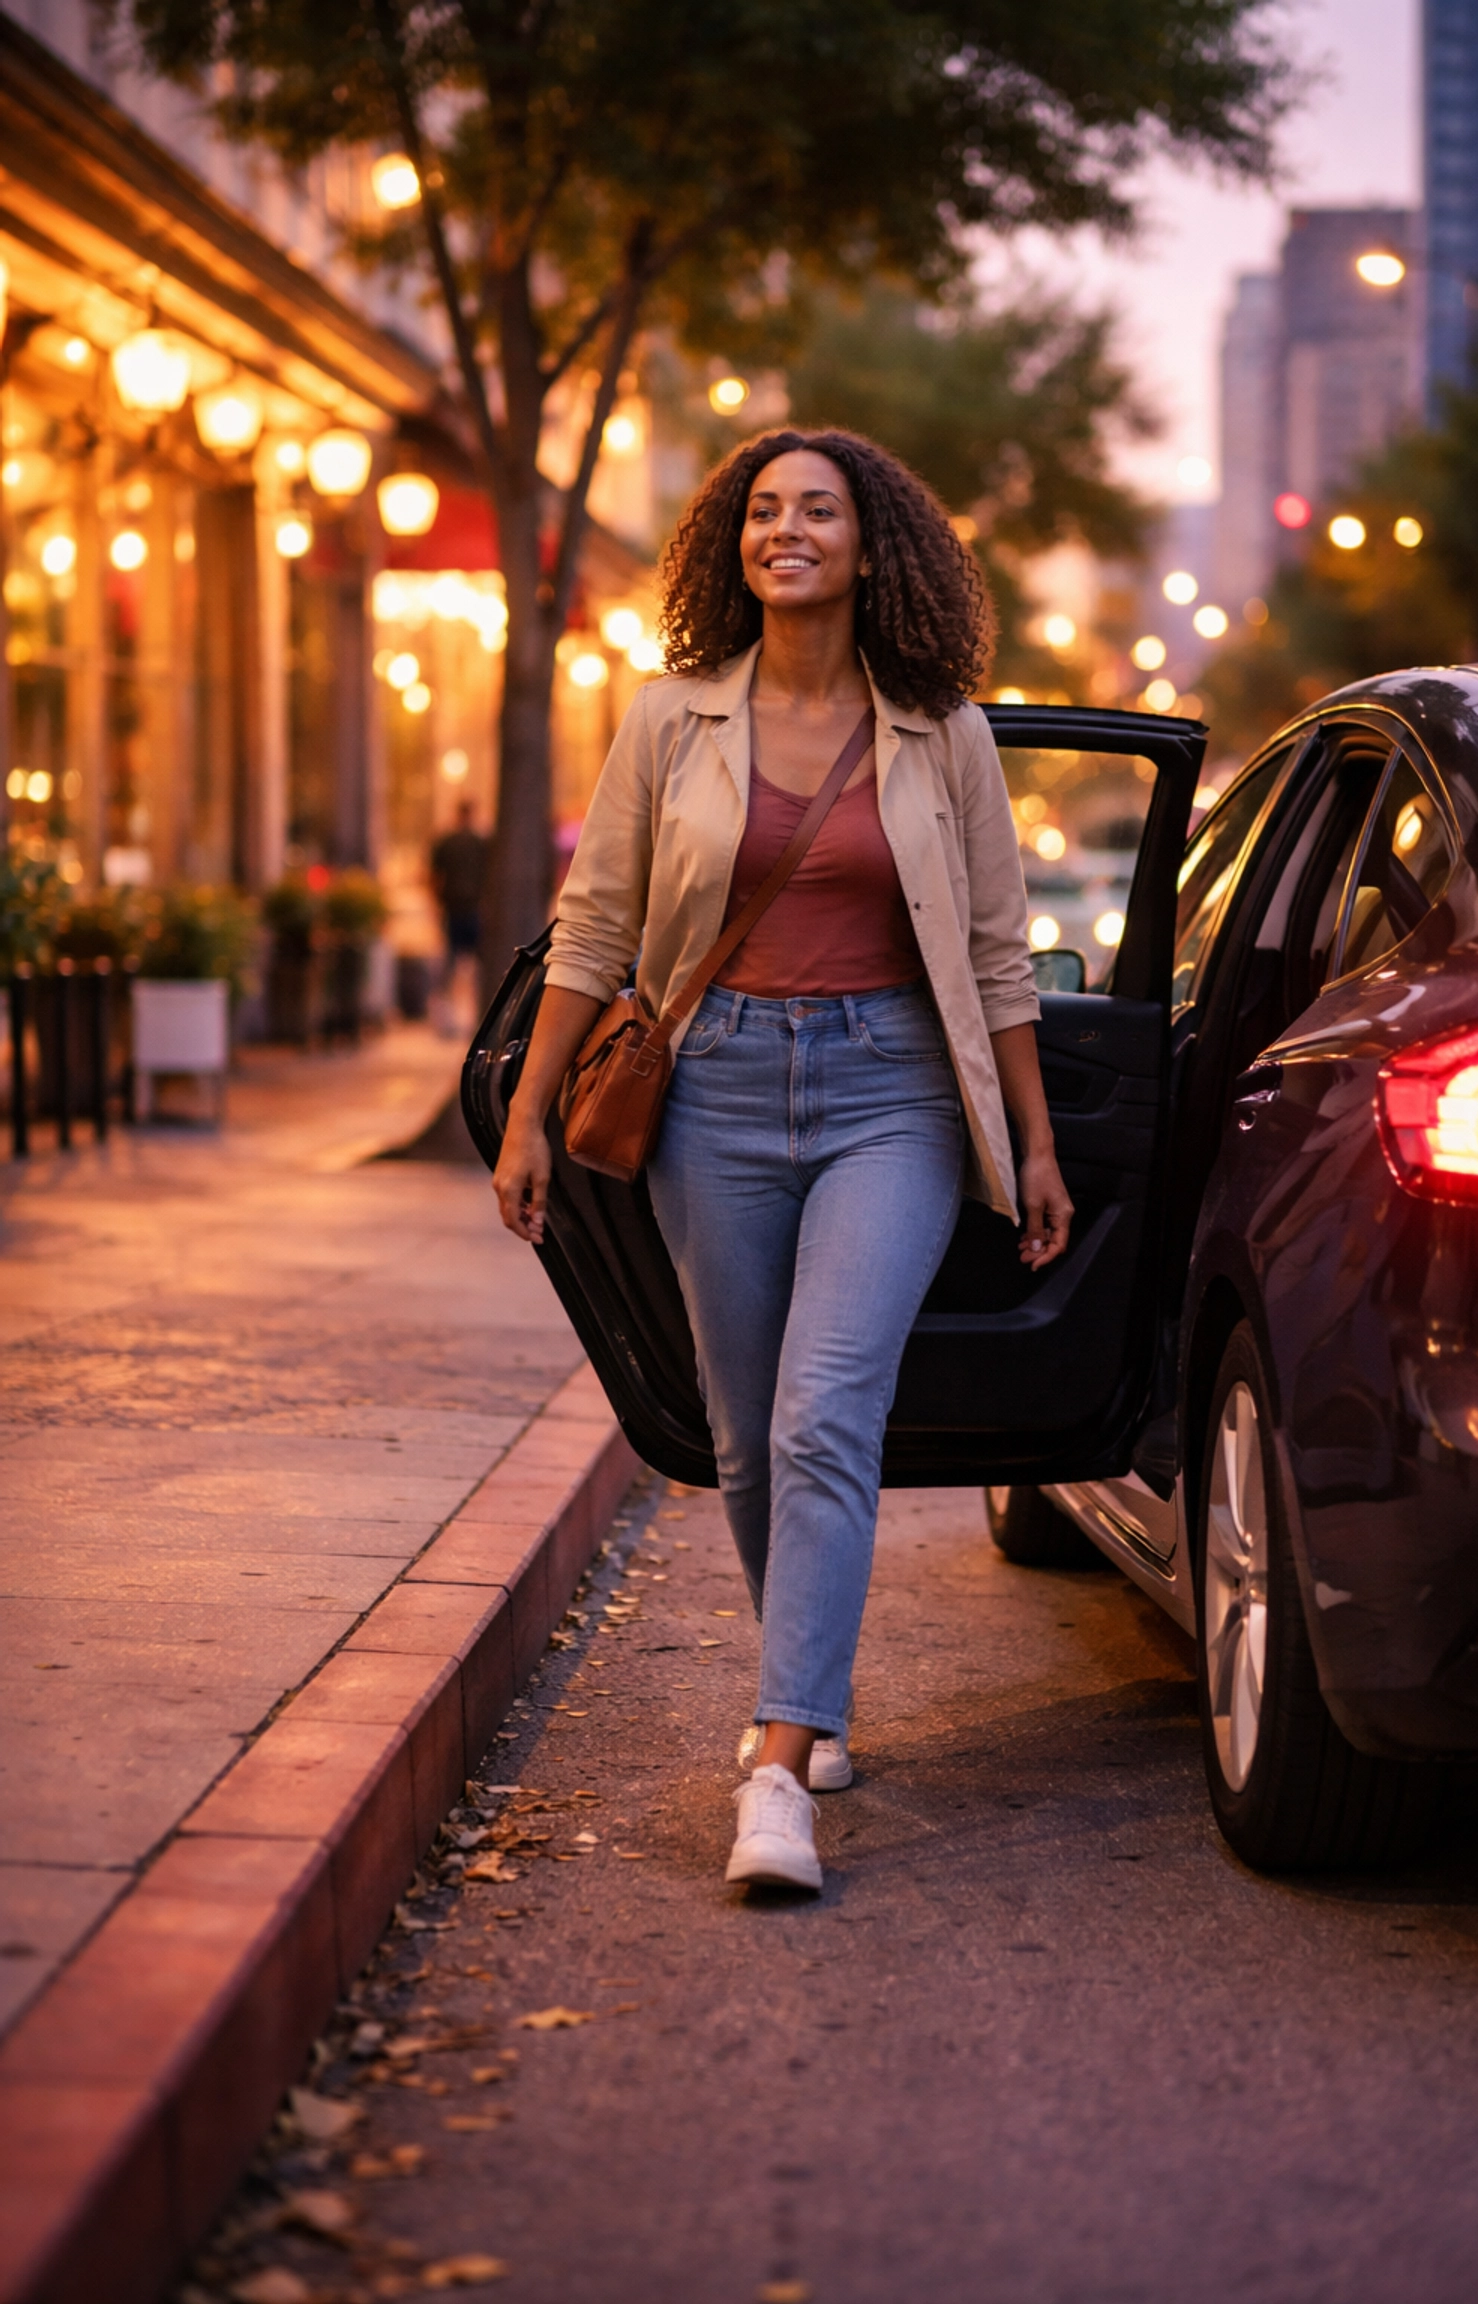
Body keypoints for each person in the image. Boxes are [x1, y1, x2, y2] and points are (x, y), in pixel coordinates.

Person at [492, 428, 1072, 1894]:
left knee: (825, 1415)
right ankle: (813, 1696)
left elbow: (1000, 956)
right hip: (716, 1094)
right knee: (745, 1435)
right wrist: (526, 1109)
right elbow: (598, 923)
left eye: (818, 510)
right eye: (762, 510)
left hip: (894, 1096)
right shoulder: (672, 718)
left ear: (873, 546)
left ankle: (776, 1763)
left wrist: (1037, 1142)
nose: (787, 530)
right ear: (730, 545)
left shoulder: (944, 733)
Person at [431, 799, 488, 967]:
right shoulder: (480, 843)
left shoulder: (446, 841)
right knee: (478, 957)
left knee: (451, 954)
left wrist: (435, 902)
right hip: (474, 904)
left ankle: (449, 990)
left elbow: (435, 875)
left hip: (452, 904)